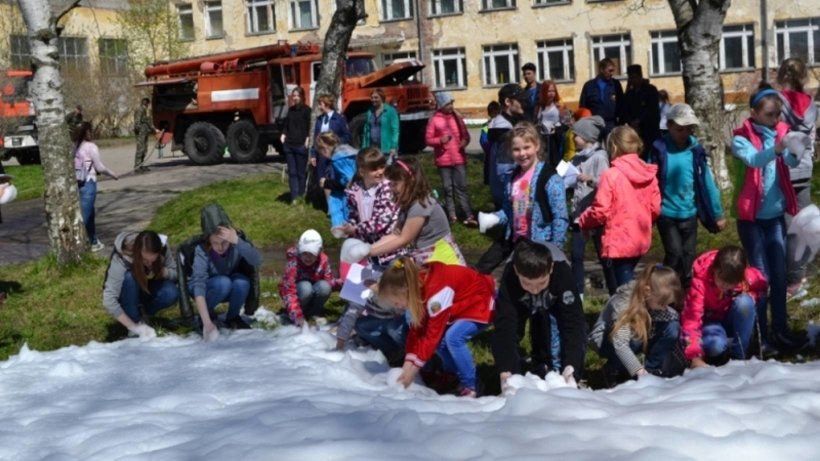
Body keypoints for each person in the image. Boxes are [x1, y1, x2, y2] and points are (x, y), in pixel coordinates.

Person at [731, 84, 808, 354]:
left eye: (778, 115)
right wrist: (776, 148)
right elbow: (753, 160)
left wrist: (796, 150)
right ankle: (761, 335)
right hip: (751, 219)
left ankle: (782, 331)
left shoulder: (781, 133)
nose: (776, 120)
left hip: (775, 216)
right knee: (760, 277)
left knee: (778, 275)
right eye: (770, 115)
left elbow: (791, 163)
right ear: (754, 113)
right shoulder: (741, 137)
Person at [379, 256, 496, 397]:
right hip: (462, 306)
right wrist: (407, 365)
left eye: (397, 303)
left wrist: (414, 370)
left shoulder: (437, 294)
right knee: (440, 342)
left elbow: (432, 334)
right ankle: (454, 374)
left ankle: (471, 385)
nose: (398, 307)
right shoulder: (420, 286)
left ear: (407, 291)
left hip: (481, 302)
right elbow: (417, 330)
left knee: (453, 338)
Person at [492, 238, 586, 391]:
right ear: (516, 271)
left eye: (541, 283)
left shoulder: (562, 273)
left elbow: (573, 324)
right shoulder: (510, 277)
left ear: (551, 269)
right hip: (520, 297)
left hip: (555, 293)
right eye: (527, 283)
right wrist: (506, 373)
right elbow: (505, 329)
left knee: (561, 325)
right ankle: (530, 365)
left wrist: (572, 368)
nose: (534, 290)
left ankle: (557, 367)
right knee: (513, 327)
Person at [647, 104, 725, 289]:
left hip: (689, 213)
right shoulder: (659, 150)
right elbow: (649, 180)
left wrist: (718, 213)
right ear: (670, 126)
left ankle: (685, 296)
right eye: (679, 129)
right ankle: (662, 291)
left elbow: (707, 182)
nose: (684, 133)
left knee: (689, 256)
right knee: (675, 254)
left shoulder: (695, 150)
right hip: (666, 212)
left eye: (688, 129)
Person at [476, 122, 568, 274]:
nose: (522, 153)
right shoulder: (512, 178)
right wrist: (493, 218)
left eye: (527, 147)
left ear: (537, 146)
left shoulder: (550, 179)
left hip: (540, 246)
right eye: (516, 149)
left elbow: (560, 218)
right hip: (517, 241)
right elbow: (509, 210)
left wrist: (554, 249)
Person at [579, 125, 660, 289]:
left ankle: (630, 313)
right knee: (628, 281)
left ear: (613, 147)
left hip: (619, 240)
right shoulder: (648, 174)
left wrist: (583, 221)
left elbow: (600, 210)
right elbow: (655, 207)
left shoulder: (611, 175)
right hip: (640, 236)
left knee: (623, 290)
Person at [347, 157, 465, 266]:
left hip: (444, 262)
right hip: (426, 258)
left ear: (410, 180)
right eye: (391, 183)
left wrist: (369, 252)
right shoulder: (408, 205)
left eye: (395, 184)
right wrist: (367, 248)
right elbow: (395, 234)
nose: (391, 188)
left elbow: (403, 239)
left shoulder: (421, 204)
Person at [589, 264, 683, 385]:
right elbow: (620, 343)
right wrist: (638, 371)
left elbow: (671, 320)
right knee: (636, 335)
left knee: (672, 327)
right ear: (647, 291)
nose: (665, 308)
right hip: (607, 341)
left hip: (636, 336)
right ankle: (615, 370)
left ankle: (653, 370)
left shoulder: (652, 298)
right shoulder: (624, 302)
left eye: (668, 304)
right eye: (662, 303)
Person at [681, 246, 768, 366]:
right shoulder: (700, 283)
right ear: (714, 269)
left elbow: (762, 286)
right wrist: (694, 355)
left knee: (745, 303)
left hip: (732, 320)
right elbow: (692, 321)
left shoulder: (746, 278)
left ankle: (739, 356)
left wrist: (752, 295)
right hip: (710, 324)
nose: (725, 286)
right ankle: (720, 353)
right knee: (715, 345)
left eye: (731, 283)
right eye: (721, 279)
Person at [189, 204, 262, 340]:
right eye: (215, 243)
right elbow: (198, 284)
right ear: (208, 240)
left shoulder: (236, 242)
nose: (220, 247)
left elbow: (257, 260)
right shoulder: (202, 250)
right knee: (223, 283)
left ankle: (233, 317)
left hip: (227, 283)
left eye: (224, 242)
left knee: (242, 282)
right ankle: (206, 315)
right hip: (206, 288)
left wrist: (237, 241)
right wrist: (206, 322)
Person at [777, 57, 817, 299]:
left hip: (783, 168)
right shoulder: (810, 103)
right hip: (805, 168)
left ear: (782, 76)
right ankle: (798, 272)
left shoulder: (777, 101)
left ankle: (790, 278)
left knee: (785, 224)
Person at [567, 115, 616, 296]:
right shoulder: (577, 159)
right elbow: (564, 178)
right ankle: (577, 293)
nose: (573, 139)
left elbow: (606, 184)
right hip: (579, 215)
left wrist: (591, 180)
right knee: (576, 254)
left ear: (587, 137)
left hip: (596, 215)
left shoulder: (600, 157)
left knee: (604, 256)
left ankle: (614, 291)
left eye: (576, 135)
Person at [102, 230, 180, 339]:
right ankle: (134, 323)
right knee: (129, 277)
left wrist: (162, 272)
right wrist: (133, 327)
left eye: (153, 260)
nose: (149, 264)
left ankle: (144, 315)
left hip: (148, 289)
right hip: (126, 293)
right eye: (145, 260)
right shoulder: (122, 256)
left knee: (171, 292)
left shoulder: (163, 247)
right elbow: (108, 299)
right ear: (137, 252)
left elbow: (176, 274)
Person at [425, 91, 476, 226]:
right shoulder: (434, 120)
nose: (450, 107)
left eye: (451, 103)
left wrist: (465, 141)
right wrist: (440, 140)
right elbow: (428, 139)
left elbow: (466, 135)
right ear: (441, 105)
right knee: (448, 188)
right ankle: (451, 215)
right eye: (448, 104)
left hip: (458, 158)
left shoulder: (457, 118)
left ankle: (468, 214)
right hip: (443, 159)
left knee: (462, 187)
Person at [279, 229, 341, 327]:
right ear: (299, 250)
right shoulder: (293, 262)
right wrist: (297, 316)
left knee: (325, 286)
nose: (308, 258)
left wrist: (339, 283)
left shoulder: (324, 260)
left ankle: (313, 312)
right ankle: (296, 313)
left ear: (319, 252)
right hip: (299, 292)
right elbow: (288, 291)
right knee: (305, 287)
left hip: (314, 290)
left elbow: (329, 281)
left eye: (312, 254)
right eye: (305, 253)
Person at [74, 122, 119, 252]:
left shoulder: (75, 146)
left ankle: (93, 240)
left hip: (78, 182)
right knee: (87, 215)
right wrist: (112, 174)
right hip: (89, 182)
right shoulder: (91, 146)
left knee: (89, 213)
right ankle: (88, 243)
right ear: (87, 132)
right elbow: (99, 167)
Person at [488, 83, 528, 208]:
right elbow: (504, 167)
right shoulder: (502, 128)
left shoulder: (510, 122)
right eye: (520, 100)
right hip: (508, 187)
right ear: (508, 102)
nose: (523, 104)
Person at [315, 132, 357, 230]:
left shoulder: (339, 160)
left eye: (320, 152)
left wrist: (327, 183)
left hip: (350, 203)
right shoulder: (348, 153)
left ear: (324, 149)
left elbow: (349, 182)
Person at [311, 94, 351, 196]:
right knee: (322, 179)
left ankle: (335, 202)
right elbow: (316, 138)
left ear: (327, 104)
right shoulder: (319, 119)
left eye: (320, 104)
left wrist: (334, 142)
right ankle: (328, 204)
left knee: (333, 178)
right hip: (321, 154)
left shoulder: (339, 118)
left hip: (335, 154)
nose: (319, 107)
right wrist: (313, 155)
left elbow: (347, 136)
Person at [620, 64, 661, 155]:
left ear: (640, 76)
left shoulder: (650, 90)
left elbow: (651, 109)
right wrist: (630, 122)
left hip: (649, 129)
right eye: (630, 77)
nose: (632, 80)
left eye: (634, 77)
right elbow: (625, 109)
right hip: (635, 130)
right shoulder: (630, 93)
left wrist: (639, 120)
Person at [280, 87, 312, 203]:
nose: (295, 98)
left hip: (300, 145)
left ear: (302, 97)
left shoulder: (307, 110)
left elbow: (309, 127)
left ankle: (301, 194)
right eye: (293, 96)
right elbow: (286, 125)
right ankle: (294, 197)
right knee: (292, 172)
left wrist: (307, 140)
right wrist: (283, 134)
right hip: (289, 145)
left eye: (297, 95)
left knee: (301, 173)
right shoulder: (290, 110)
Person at [579, 58, 623, 137]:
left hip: (611, 124)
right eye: (610, 70)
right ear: (602, 69)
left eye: (612, 70)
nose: (612, 73)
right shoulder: (589, 86)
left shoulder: (615, 84)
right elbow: (582, 107)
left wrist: (621, 123)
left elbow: (622, 104)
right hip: (594, 124)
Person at [361, 88, 400, 161]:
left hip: (386, 149)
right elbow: (366, 130)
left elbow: (395, 130)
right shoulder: (370, 111)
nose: (373, 100)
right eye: (372, 98)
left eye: (376, 97)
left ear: (382, 98)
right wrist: (364, 147)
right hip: (372, 148)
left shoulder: (390, 111)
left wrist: (393, 147)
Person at [535, 80, 565, 167]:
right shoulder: (539, 106)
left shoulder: (559, 105)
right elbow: (536, 121)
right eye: (549, 91)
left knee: (557, 161)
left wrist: (558, 128)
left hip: (556, 137)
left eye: (553, 91)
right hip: (543, 137)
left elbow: (567, 121)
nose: (552, 93)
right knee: (544, 160)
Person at [133, 97, 158, 174]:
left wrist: (153, 129)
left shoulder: (144, 111)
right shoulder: (140, 110)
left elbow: (147, 121)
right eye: (146, 102)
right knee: (140, 149)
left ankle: (141, 165)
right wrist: (141, 131)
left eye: (147, 102)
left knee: (144, 149)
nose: (146, 103)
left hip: (144, 132)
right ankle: (137, 167)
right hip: (141, 133)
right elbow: (137, 123)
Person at [479, 101, 501, 186]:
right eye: (493, 113)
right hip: (491, 156)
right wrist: (491, 150)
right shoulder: (486, 126)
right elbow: (483, 141)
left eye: (497, 112)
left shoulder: (503, 124)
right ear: (489, 114)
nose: (495, 115)